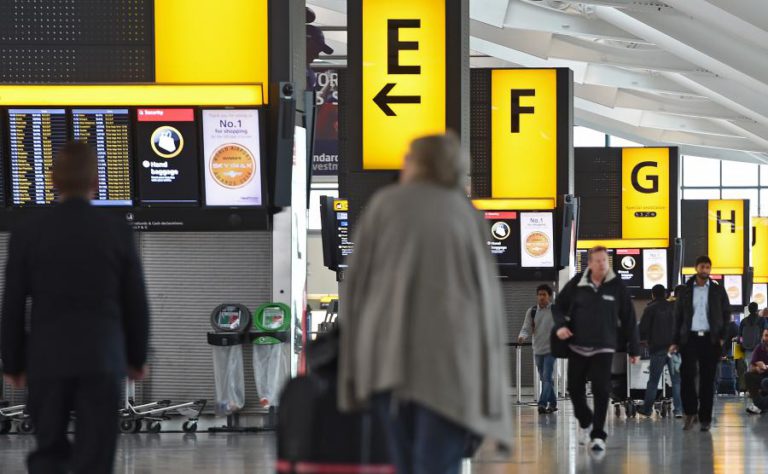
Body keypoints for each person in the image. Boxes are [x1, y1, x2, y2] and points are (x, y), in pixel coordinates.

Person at [338, 134, 511, 474]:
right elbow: (487, 305)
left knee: (400, 463)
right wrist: (492, 396)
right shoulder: (465, 214)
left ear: (419, 163)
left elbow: (355, 290)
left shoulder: (385, 205)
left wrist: (352, 372)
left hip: (388, 364)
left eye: (408, 157)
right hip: (450, 367)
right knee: (438, 463)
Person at [1, 142, 150, 473]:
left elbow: (13, 302)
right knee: (96, 456)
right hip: (102, 357)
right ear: (95, 181)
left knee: (48, 451)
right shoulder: (116, 230)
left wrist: (13, 362)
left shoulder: (27, 231)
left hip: (47, 359)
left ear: (53, 181)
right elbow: (135, 301)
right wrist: (136, 358)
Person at [553, 246, 640, 453]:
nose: (602, 264)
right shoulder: (577, 283)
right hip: (577, 346)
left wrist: (634, 348)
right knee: (574, 389)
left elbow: (629, 318)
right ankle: (585, 421)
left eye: (604, 260)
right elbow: (559, 306)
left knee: (601, 390)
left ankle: (598, 435)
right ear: (590, 263)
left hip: (604, 347)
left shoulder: (616, 286)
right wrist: (561, 326)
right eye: (598, 261)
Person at [669, 256, 730, 432]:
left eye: (708, 267)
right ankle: (690, 414)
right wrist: (675, 341)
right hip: (690, 338)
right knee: (687, 377)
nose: (705, 270)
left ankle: (705, 419)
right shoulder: (686, 291)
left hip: (710, 339)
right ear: (696, 268)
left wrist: (722, 337)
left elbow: (726, 314)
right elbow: (678, 317)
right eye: (702, 267)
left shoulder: (718, 291)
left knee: (707, 380)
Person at [638, 284, 682, 418]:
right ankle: (679, 410)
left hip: (657, 349)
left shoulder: (650, 308)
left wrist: (645, 340)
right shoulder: (674, 307)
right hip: (674, 349)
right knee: (676, 381)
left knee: (653, 381)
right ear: (666, 294)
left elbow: (642, 329)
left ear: (653, 295)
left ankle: (647, 409)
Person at [518, 284, 558, 414]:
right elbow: (526, 327)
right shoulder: (532, 311)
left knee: (546, 376)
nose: (541, 297)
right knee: (544, 378)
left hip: (552, 349)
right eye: (539, 294)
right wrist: (522, 336)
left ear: (549, 296)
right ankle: (553, 403)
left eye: (544, 295)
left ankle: (542, 404)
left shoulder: (555, 310)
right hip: (538, 349)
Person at [745, 328, 768, 414]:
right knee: (748, 375)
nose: (767, 338)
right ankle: (758, 403)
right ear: (762, 337)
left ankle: (759, 405)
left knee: (765, 382)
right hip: (762, 375)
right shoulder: (759, 348)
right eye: (766, 335)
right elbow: (751, 367)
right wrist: (757, 369)